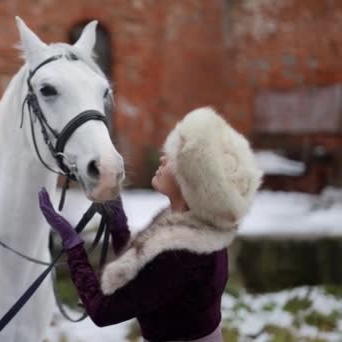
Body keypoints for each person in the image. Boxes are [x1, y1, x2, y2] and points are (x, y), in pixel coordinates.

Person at [39, 107, 263, 342]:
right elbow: (142, 270)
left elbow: (103, 311)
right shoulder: (197, 227)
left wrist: (72, 244)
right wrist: (117, 220)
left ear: (191, 182)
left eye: (174, 158)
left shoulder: (180, 255)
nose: (163, 158)